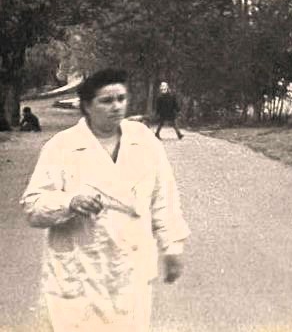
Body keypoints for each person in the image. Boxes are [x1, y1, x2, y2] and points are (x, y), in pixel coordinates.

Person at [21, 68, 189, 332]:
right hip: (79, 275)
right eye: (106, 101)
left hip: (129, 271)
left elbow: (164, 197)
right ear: (87, 106)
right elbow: (33, 206)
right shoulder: (62, 147)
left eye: (121, 98)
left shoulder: (144, 142)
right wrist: (69, 202)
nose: (116, 107)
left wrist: (172, 246)